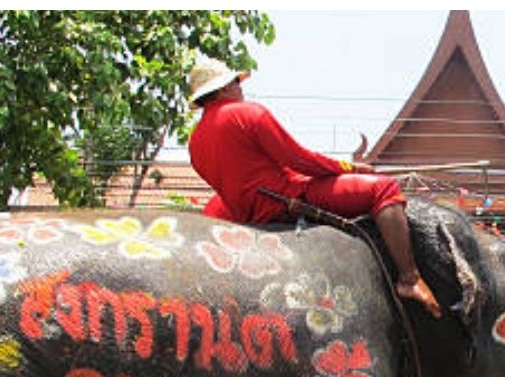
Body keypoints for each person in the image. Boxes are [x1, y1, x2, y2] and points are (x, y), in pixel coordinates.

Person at [185, 59, 441, 317]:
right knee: (384, 188)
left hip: (243, 213)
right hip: (284, 200)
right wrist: (348, 168)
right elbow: (299, 160)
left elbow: (241, 179)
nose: (241, 87)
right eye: (236, 82)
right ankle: (408, 278)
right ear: (222, 88)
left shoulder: (194, 143)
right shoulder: (248, 113)